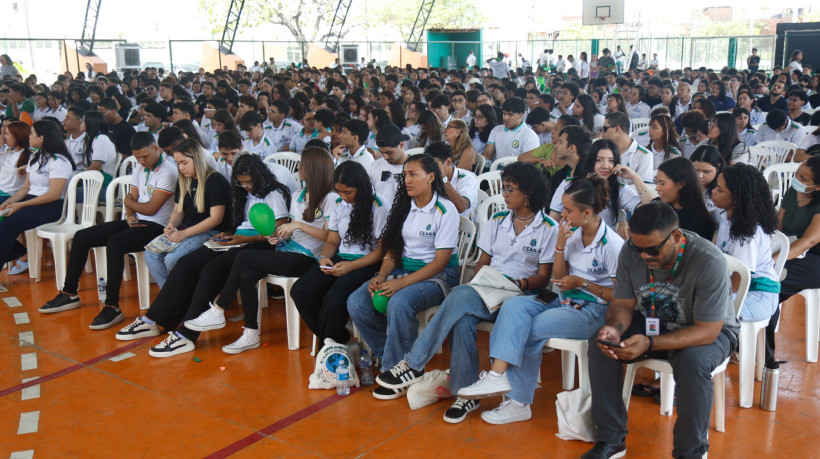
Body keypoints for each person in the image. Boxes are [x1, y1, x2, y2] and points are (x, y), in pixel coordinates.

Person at [375, 162, 557, 423]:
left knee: (459, 297)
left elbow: (543, 277)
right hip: (490, 290)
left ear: (527, 192)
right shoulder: (496, 220)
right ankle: (465, 393)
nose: (504, 194)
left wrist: (520, 284)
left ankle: (414, 364)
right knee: (462, 316)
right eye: (503, 188)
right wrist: (482, 279)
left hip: (521, 296)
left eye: (509, 189)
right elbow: (483, 261)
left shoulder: (548, 227)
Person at [457, 175, 624, 425]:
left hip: (592, 310)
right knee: (514, 305)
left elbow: (622, 297)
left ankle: (519, 402)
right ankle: (497, 374)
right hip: (564, 300)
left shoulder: (612, 245)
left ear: (587, 212)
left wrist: (584, 283)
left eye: (568, 210)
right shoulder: (572, 234)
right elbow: (558, 279)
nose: (562, 215)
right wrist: (559, 247)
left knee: (529, 328)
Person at [584, 201, 737, 459]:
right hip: (652, 320)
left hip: (707, 331)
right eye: (637, 248)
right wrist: (615, 329)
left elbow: (708, 331)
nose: (644, 256)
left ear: (676, 236)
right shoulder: (631, 252)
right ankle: (610, 439)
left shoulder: (708, 260)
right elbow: (622, 304)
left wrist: (650, 343)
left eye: (653, 249)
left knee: (692, 362)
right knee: (602, 345)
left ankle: (690, 453)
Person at [116, 153, 292, 357]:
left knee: (211, 269)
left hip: (258, 245)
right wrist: (227, 234)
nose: (247, 187)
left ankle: (186, 334)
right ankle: (154, 319)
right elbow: (241, 224)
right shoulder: (245, 193)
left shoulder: (274, 194)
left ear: (260, 177)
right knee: (186, 263)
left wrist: (243, 240)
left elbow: (276, 235)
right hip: (236, 240)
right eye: (242, 183)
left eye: (249, 182)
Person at [347, 153, 460, 400]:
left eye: (413, 174)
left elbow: (441, 261)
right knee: (356, 302)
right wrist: (382, 275)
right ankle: (392, 357)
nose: (406, 180)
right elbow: (391, 251)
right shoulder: (403, 207)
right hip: (402, 270)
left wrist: (401, 284)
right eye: (405, 175)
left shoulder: (445, 209)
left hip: (438, 276)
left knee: (400, 301)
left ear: (431, 177)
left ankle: (396, 371)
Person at [38, 133, 177, 329]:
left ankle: (112, 306)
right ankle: (69, 293)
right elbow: (132, 197)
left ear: (156, 149)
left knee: (115, 244)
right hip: (137, 221)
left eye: (145, 156)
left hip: (157, 227)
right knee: (82, 237)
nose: (141, 161)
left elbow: (151, 209)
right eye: (137, 157)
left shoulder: (168, 172)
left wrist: (130, 203)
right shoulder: (139, 167)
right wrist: (129, 214)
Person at [290, 161, 389, 346]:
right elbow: (333, 240)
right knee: (300, 291)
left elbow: (383, 251)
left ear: (361, 188)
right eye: (339, 191)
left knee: (335, 299)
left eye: (348, 192)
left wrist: (351, 266)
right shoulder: (338, 202)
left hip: (367, 263)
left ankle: (328, 349)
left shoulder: (379, 205)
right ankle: (339, 339)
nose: (343, 197)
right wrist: (324, 257)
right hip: (341, 258)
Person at [144, 139, 230, 287]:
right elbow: (178, 209)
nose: (181, 168)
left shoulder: (215, 180)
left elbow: (215, 219)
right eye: (178, 163)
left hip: (212, 232)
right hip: (187, 229)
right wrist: (171, 225)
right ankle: (169, 296)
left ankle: (180, 296)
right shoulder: (184, 180)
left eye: (184, 163)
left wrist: (184, 233)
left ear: (197, 159)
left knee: (172, 259)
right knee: (150, 255)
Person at [0, 120, 75, 270]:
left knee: (7, 226)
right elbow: (26, 188)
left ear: (41, 138)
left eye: (32, 134)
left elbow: (54, 194)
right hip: (31, 201)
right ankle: (20, 254)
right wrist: (7, 203)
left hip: (51, 206)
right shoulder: (35, 157)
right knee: (3, 221)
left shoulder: (59, 161)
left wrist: (21, 205)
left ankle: (19, 255)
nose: (29, 137)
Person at [711, 163, 780, 322]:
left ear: (737, 199)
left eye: (720, 190)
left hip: (758, 295)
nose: (713, 191)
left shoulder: (747, 232)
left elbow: (740, 277)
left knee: (706, 310)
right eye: (716, 186)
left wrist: (712, 293)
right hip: (741, 288)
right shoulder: (726, 216)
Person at [767, 155, 820, 363]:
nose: (797, 179)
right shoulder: (793, 191)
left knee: (769, 283)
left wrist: (775, 260)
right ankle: (754, 343)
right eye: (798, 174)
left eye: (804, 178)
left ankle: (763, 354)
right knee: (762, 277)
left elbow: (810, 240)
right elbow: (778, 226)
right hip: (791, 249)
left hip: (815, 259)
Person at [583, 139, 649, 238]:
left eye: (611, 160)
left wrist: (634, 177)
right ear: (591, 160)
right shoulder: (571, 185)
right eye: (599, 160)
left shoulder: (620, 190)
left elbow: (650, 209)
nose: (605, 166)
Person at [655, 156, 715, 240]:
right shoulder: (657, 205)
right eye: (657, 182)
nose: (657, 188)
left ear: (680, 184)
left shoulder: (698, 220)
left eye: (662, 183)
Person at [425, 141, 477, 219]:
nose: (431, 169)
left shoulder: (467, 179)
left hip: (461, 226)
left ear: (448, 162)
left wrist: (443, 179)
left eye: (435, 165)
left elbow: (462, 207)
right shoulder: (429, 176)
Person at [602, 112, 654, 184]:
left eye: (605, 129)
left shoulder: (644, 155)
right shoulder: (603, 150)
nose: (602, 132)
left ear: (617, 129)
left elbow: (644, 188)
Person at [483, 97, 539, 162]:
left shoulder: (529, 135)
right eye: (504, 114)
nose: (505, 118)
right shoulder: (496, 130)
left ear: (520, 115)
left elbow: (527, 164)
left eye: (510, 115)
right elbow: (487, 156)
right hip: (496, 169)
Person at [368, 124, 409, 205]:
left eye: (389, 152)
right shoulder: (373, 167)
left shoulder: (415, 168)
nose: (385, 157)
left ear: (401, 145)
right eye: (382, 153)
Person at [690, 144, 726, 222]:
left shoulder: (723, 190)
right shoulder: (682, 185)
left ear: (718, 167)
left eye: (706, 172)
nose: (700, 176)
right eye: (696, 170)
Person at [0, 121, 32, 201]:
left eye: (7, 134)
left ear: (17, 137)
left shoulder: (30, 155)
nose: (4, 137)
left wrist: (26, 166)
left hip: (8, 197)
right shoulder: (8, 152)